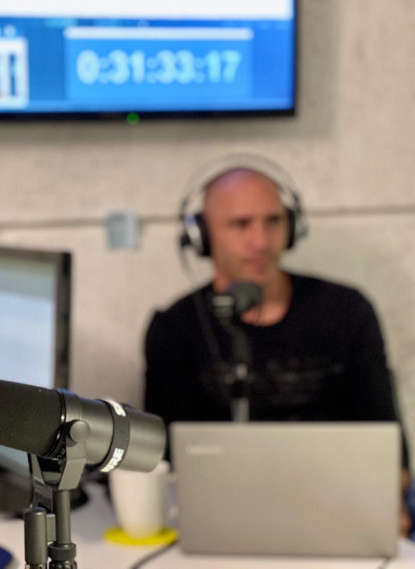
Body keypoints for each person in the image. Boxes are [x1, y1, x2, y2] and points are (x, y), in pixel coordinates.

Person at [143, 155, 411, 532]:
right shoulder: (175, 328)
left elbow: (388, 442)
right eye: (240, 224)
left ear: (293, 226)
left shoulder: (347, 311)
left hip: (341, 508)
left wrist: (390, 500)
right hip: (220, 518)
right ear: (201, 236)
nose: (261, 241)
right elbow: (161, 458)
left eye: (273, 221)